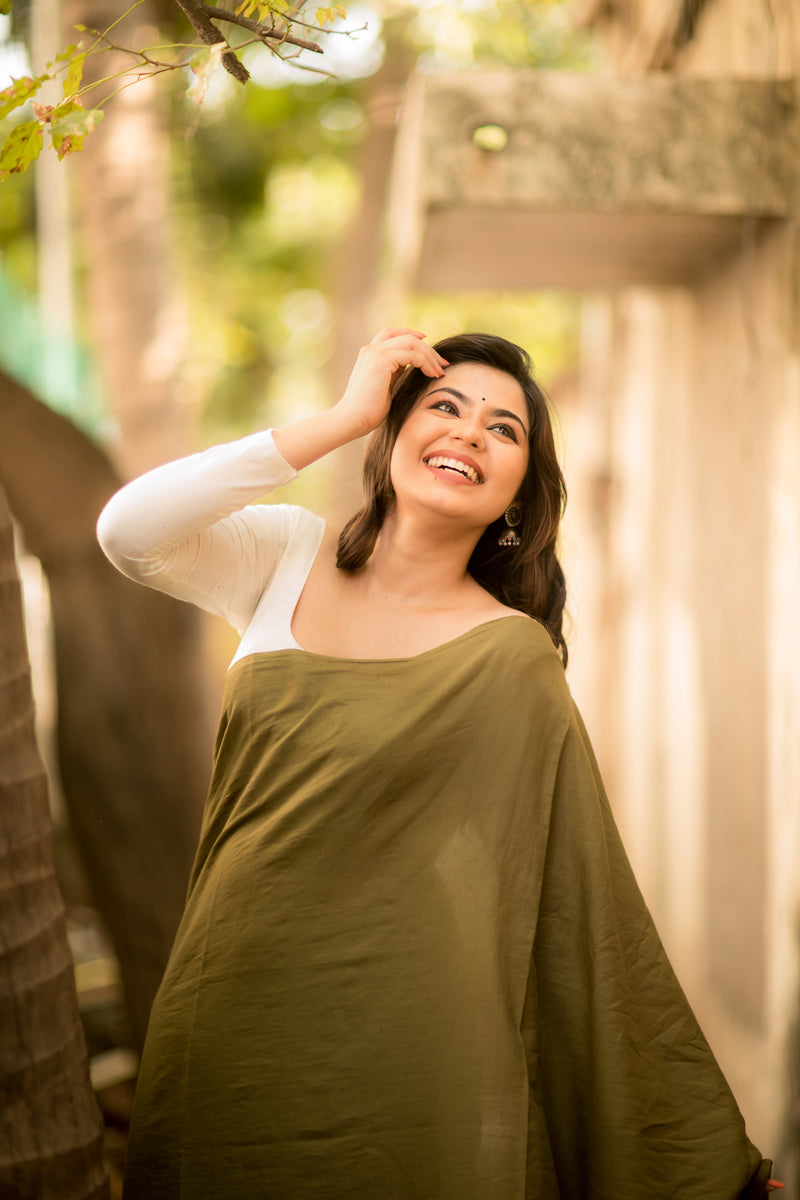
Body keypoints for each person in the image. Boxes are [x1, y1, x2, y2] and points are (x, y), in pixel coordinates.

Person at [97, 328, 778, 1199]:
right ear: (392, 437)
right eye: (445, 407)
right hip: (231, 1013)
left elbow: (581, 897)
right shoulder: (282, 558)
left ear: (518, 497)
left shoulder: (510, 658)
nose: (468, 433)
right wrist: (345, 415)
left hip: (415, 1045)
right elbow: (128, 530)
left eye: (504, 429)